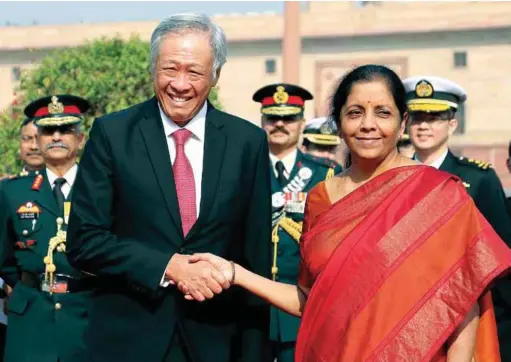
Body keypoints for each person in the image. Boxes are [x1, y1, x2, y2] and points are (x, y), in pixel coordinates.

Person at [179, 65, 511, 362]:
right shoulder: (321, 197)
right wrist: (236, 272)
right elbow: (311, 301)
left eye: (383, 112)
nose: (368, 125)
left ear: (403, 122)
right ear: (338, 123)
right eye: (355, 113)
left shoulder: (439, 194)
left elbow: (463, 306)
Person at [66, 13, 271, 362]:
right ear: (152, 69)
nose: (180, 84)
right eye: (169, 69)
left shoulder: (247, 142)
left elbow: (255, 261)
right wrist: (168, 266)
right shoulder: (113, 134)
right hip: (127, 340)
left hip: (216, 342)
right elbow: (85, 241)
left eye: (194, 72)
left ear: (216, 75)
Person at [404, 76, 511, 360]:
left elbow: (502, 259)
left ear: (452, 124)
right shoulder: (393, 178)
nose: (424, 125)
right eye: (416, 117)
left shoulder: (478, 179)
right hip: (404, 315)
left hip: (466, 318)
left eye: (435, 117)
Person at [0, 94, 92, 362]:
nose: (56, 137)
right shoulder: (12, 192)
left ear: (80, 138)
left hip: (87, 317)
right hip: (32, 321)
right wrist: (32, 285)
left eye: (65, 130)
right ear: (38, 140)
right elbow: (4, 259)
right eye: (48, 131)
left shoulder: (103, 189)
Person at [252, 83, 339, 362]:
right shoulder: (242, 168)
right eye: (272, 117)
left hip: (302, 309)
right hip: (252, 308)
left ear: (302, 122)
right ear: (262, 120)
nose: (280, 124)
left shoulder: (325, 174)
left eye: (289, 118)